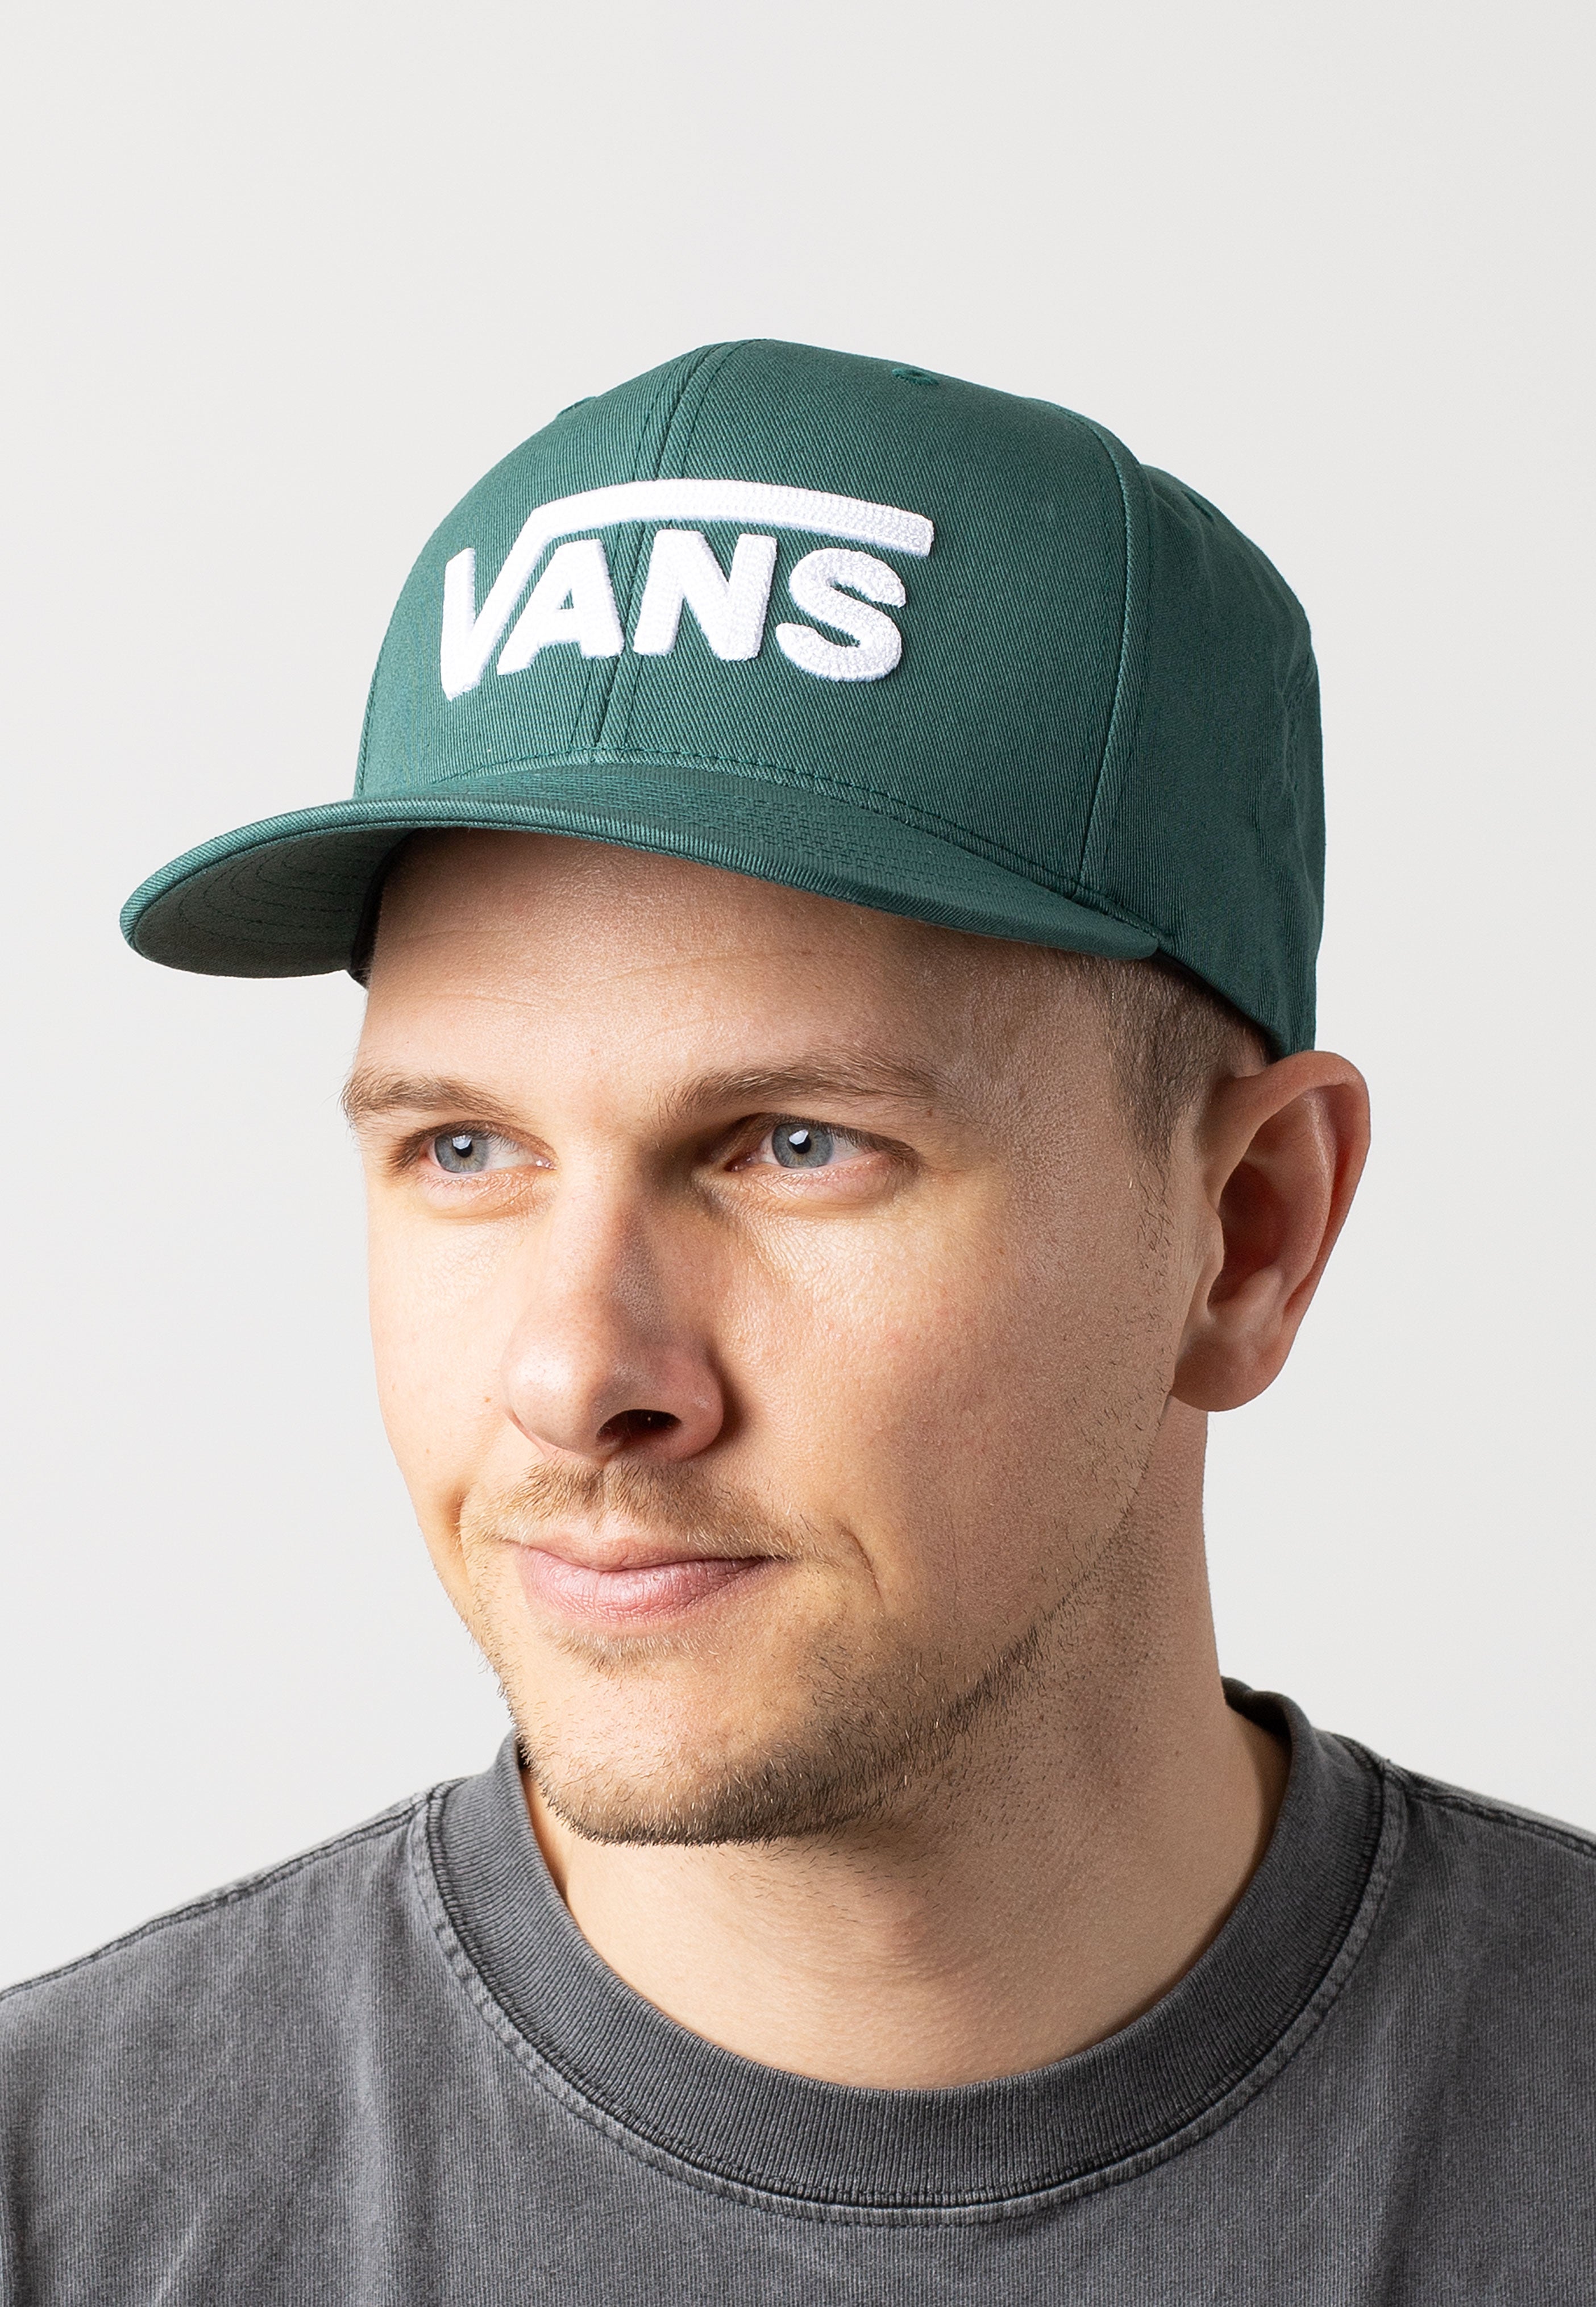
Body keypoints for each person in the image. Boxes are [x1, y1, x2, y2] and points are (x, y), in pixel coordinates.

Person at [2, 340, 1590, 2301]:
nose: (574, 1371)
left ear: (1246, 1230)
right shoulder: (61, 2212)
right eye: (464, 1147)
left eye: (795, 1143)